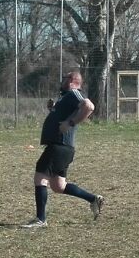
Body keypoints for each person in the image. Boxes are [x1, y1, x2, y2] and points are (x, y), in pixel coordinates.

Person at [23, 70, 103, 228]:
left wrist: (71, 123)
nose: (62, 80)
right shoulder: (66, 96)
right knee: (58, 186)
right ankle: (93, 199)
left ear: (73, 80)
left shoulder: (74, 92)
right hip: (64, 147)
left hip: (60, 146)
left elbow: (89, 106)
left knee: (40, 177)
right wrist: (54, 109)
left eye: (65, 77)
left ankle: (41, 220)